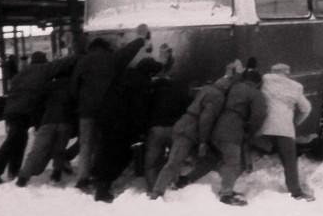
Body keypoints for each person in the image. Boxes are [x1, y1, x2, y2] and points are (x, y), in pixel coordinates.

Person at [148, 59, 244, 199]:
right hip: (188, 131)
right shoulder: (217, 96)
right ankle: (157, 192)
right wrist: (203, 141)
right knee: (174, 161)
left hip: (187, 127)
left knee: (208, 160)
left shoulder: (207, 89)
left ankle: (183, 181)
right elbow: (206, 119)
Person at [70, 24, 150, 189]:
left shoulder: (83, 61)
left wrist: (80, 103)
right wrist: (141, 39)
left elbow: (74, 86)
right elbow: (128, 52)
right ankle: (98, 172)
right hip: (108, 108)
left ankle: (82, 178)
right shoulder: (111, 59)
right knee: (103, 142)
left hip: (86, 110)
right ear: (106, 48)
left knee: (85, 143)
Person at [0, 51, 74, 184]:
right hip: (23, 110)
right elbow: (62, 64)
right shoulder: (43, 69)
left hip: (11, 109)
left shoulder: (23, 72)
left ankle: (14, 170)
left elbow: (15, 84)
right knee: (13, 141)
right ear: (44, 61)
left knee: (19, 139)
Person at [92, 57, 163, 203]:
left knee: (106, 152)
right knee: (119, 156)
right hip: (121, 124)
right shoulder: (141, 83)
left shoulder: (123, 75)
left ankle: (99, 181)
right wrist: (140, 131)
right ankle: (102, 189)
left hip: (106, 119)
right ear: (149, 72)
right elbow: (138, 110)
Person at [15, 55, 81, 187]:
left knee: (37, 149)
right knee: (59, 148)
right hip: (65, 120)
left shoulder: (50, 85)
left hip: (48, 119)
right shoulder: (74, 86)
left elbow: (40, 103)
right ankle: (56, 173)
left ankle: (23, 177)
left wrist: (37, 122)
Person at [211, 62, 267, 206]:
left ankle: (226, 187)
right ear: (258, 82)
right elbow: (258, 116)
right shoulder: (255, 93)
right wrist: (249, 132)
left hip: (217, 126)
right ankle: (226, 194)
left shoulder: (234, 86)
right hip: (233, 130)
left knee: (240, 163)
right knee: (233, 163)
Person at [257, 63, 315, 201]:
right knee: (289, 161)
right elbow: (306, 108)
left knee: (257, 152)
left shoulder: (264, 83)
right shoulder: (294, 87)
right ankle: (296, 192)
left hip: (263, 128)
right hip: (284, 130)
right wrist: (295, 122)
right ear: (286, 73)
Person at [141, 64, 193, 193]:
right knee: (173, 160)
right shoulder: (179, 91)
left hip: (156, 128)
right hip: (173, 128)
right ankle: (171, 185)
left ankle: (153, 190)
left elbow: (145, 108)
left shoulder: (153, 91)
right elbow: (187, 107)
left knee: (151, 163)